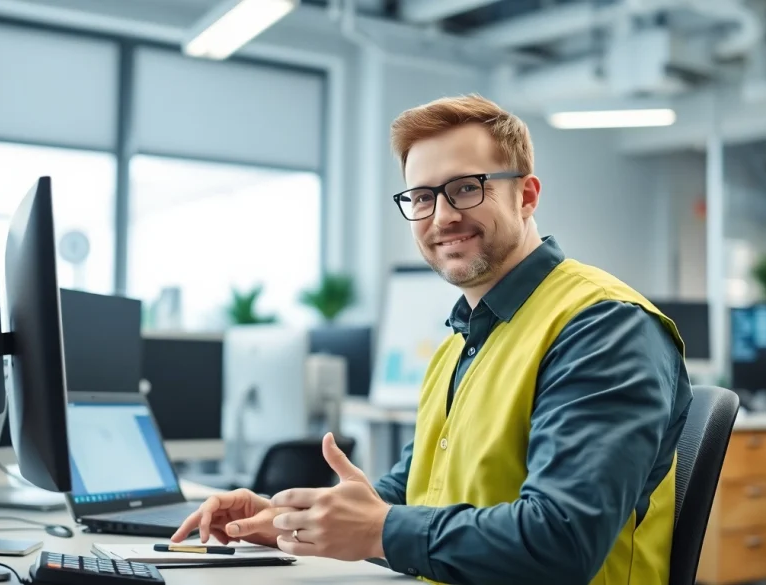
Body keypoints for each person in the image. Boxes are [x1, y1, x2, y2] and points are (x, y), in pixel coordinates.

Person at [172, 94, 693, 585]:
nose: (442, 216)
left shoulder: (602, 326)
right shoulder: (461, 342)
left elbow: (562, 540)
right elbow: (410, 495)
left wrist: (378, 529)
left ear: (527, 195)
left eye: (466, 187)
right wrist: (288, 519)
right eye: (422, 197)